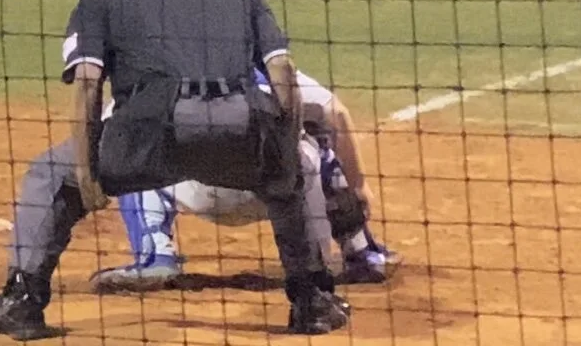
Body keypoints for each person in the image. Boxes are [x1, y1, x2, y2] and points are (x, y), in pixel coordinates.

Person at [0, 0, 351, 339]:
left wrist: (88, 171)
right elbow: (282, 74)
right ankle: (314, 302)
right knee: (300, 171)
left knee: (50, 174)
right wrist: (283, 157)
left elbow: (89, 83)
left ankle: (22, 302)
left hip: (151, 131)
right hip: (237, 127)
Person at [90, 68, 401, 291]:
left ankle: (154, 256)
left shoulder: (148, 82)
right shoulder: (266, 70)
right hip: (276, 194)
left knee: (134, 152)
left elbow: (108, 136)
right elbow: (336, 113)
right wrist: (360, 187)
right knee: (321, 145)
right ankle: (361, 251)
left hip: (193, 191)